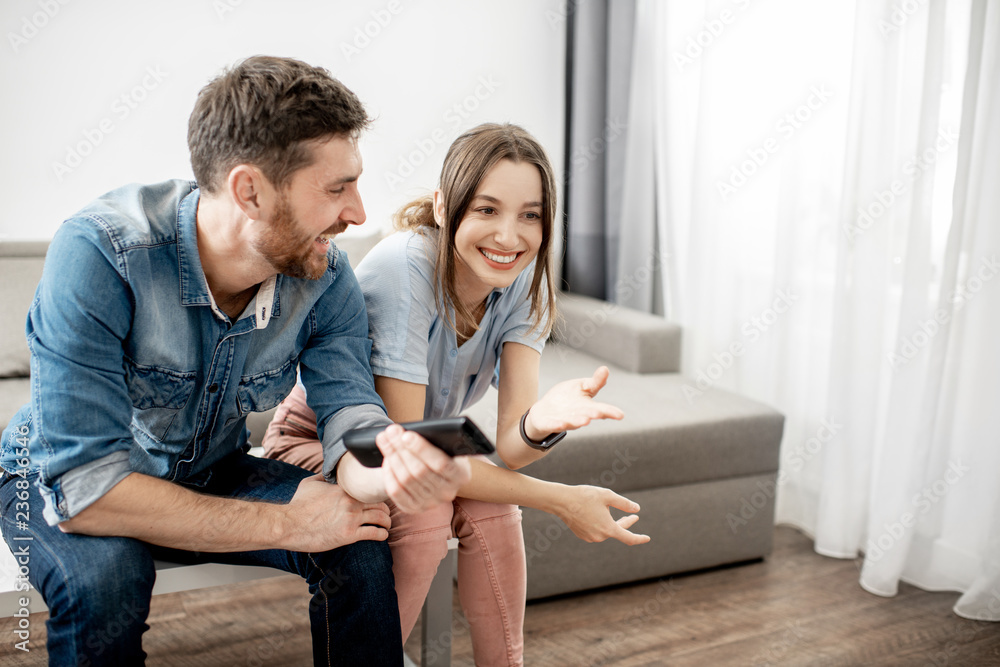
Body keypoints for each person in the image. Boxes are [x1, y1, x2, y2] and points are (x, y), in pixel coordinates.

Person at [0, 55, 471, 666]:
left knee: (359, 536)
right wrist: (287, 525)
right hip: (54, 475)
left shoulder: (326, 277)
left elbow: (351, 418)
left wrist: (389, 470)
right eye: (336, 188)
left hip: (210, 468)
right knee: (106, 581)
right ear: (250, 190)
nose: (358, 212)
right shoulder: (102, 254)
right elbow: (90, 492)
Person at [264, 122, 651, 666]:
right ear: (447, 208)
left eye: (530, 215)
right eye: (487, 210)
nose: (509, 237)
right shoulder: (407, 267)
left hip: (414, 451)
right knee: (426, 513)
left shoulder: (522, 282)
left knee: (492, 506)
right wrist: (563, 499)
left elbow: (511, 449)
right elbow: (406, 454)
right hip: (321, 444)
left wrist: (541, 422)